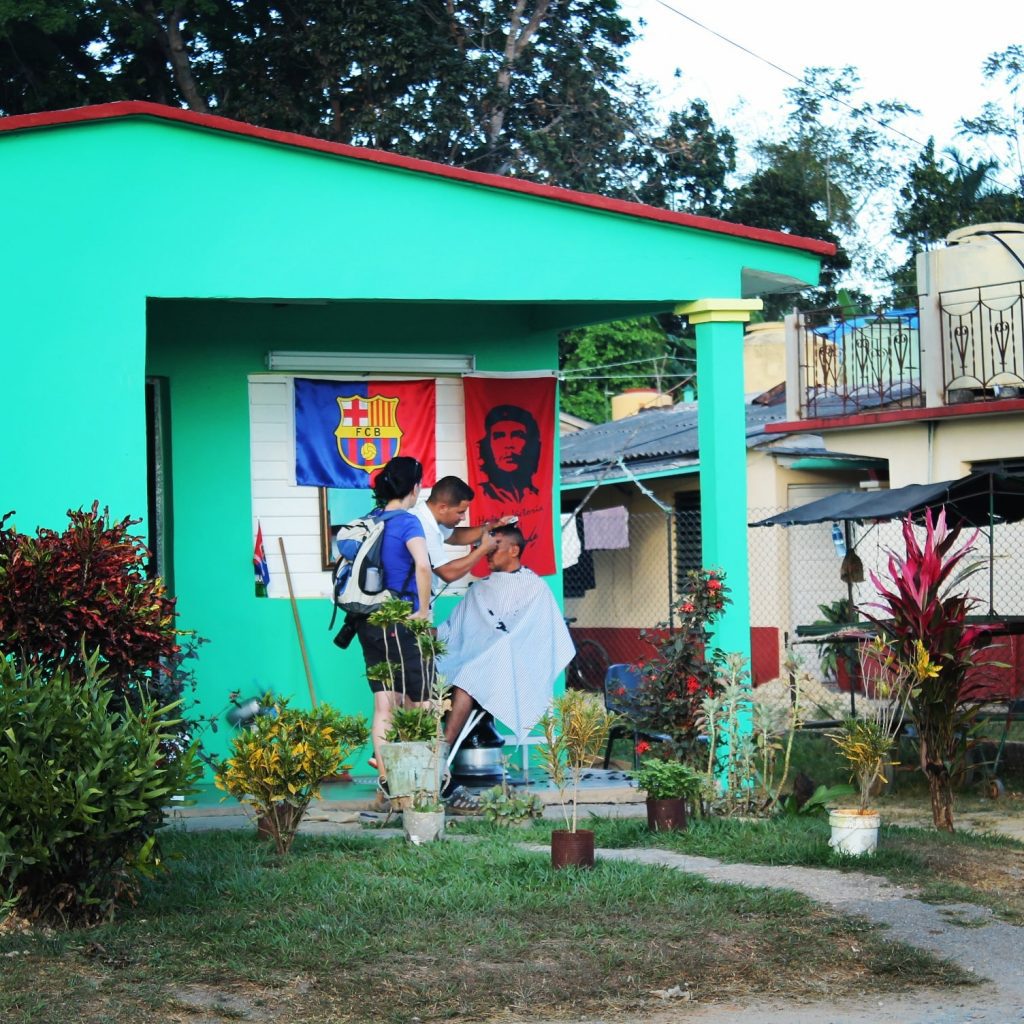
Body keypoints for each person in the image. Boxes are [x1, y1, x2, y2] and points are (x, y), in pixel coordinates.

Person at [437, 523, 575, 755]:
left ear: (514, 550)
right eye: (485, 546)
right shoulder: (479, 588)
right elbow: (451, 629)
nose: (487, 550)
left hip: (512, 665)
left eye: (495, 545)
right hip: (472, 658)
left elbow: (536, 638)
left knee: (467, 677)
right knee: (420, 670)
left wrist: (493, 650)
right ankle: (407, 747)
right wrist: (419, 631)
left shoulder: (535, 588)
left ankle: (440, 753)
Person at [352, 456, 432, 799]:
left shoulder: (369, 521)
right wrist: (424, 611)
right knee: (422, 702)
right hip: (402, 621)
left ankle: (387, 779)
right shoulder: (407, 522)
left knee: (385, 704)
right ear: (414, 488)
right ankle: (417, 782)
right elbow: (423, 565)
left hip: (368, 622)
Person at [410, 475, 515, 596]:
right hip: (407, 607)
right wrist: (483, 549)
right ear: (443, 508)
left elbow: (455, 536)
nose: (463, 517)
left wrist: (491, 527)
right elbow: (448, 573)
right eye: (460, 512)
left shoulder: (431, 517)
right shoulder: (421, 525)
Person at [477, 405, 541, 503]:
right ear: (488, 445)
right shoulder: (478, 495)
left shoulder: (538, 495)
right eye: (499, 436)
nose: (508, 444)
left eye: (518, 435)